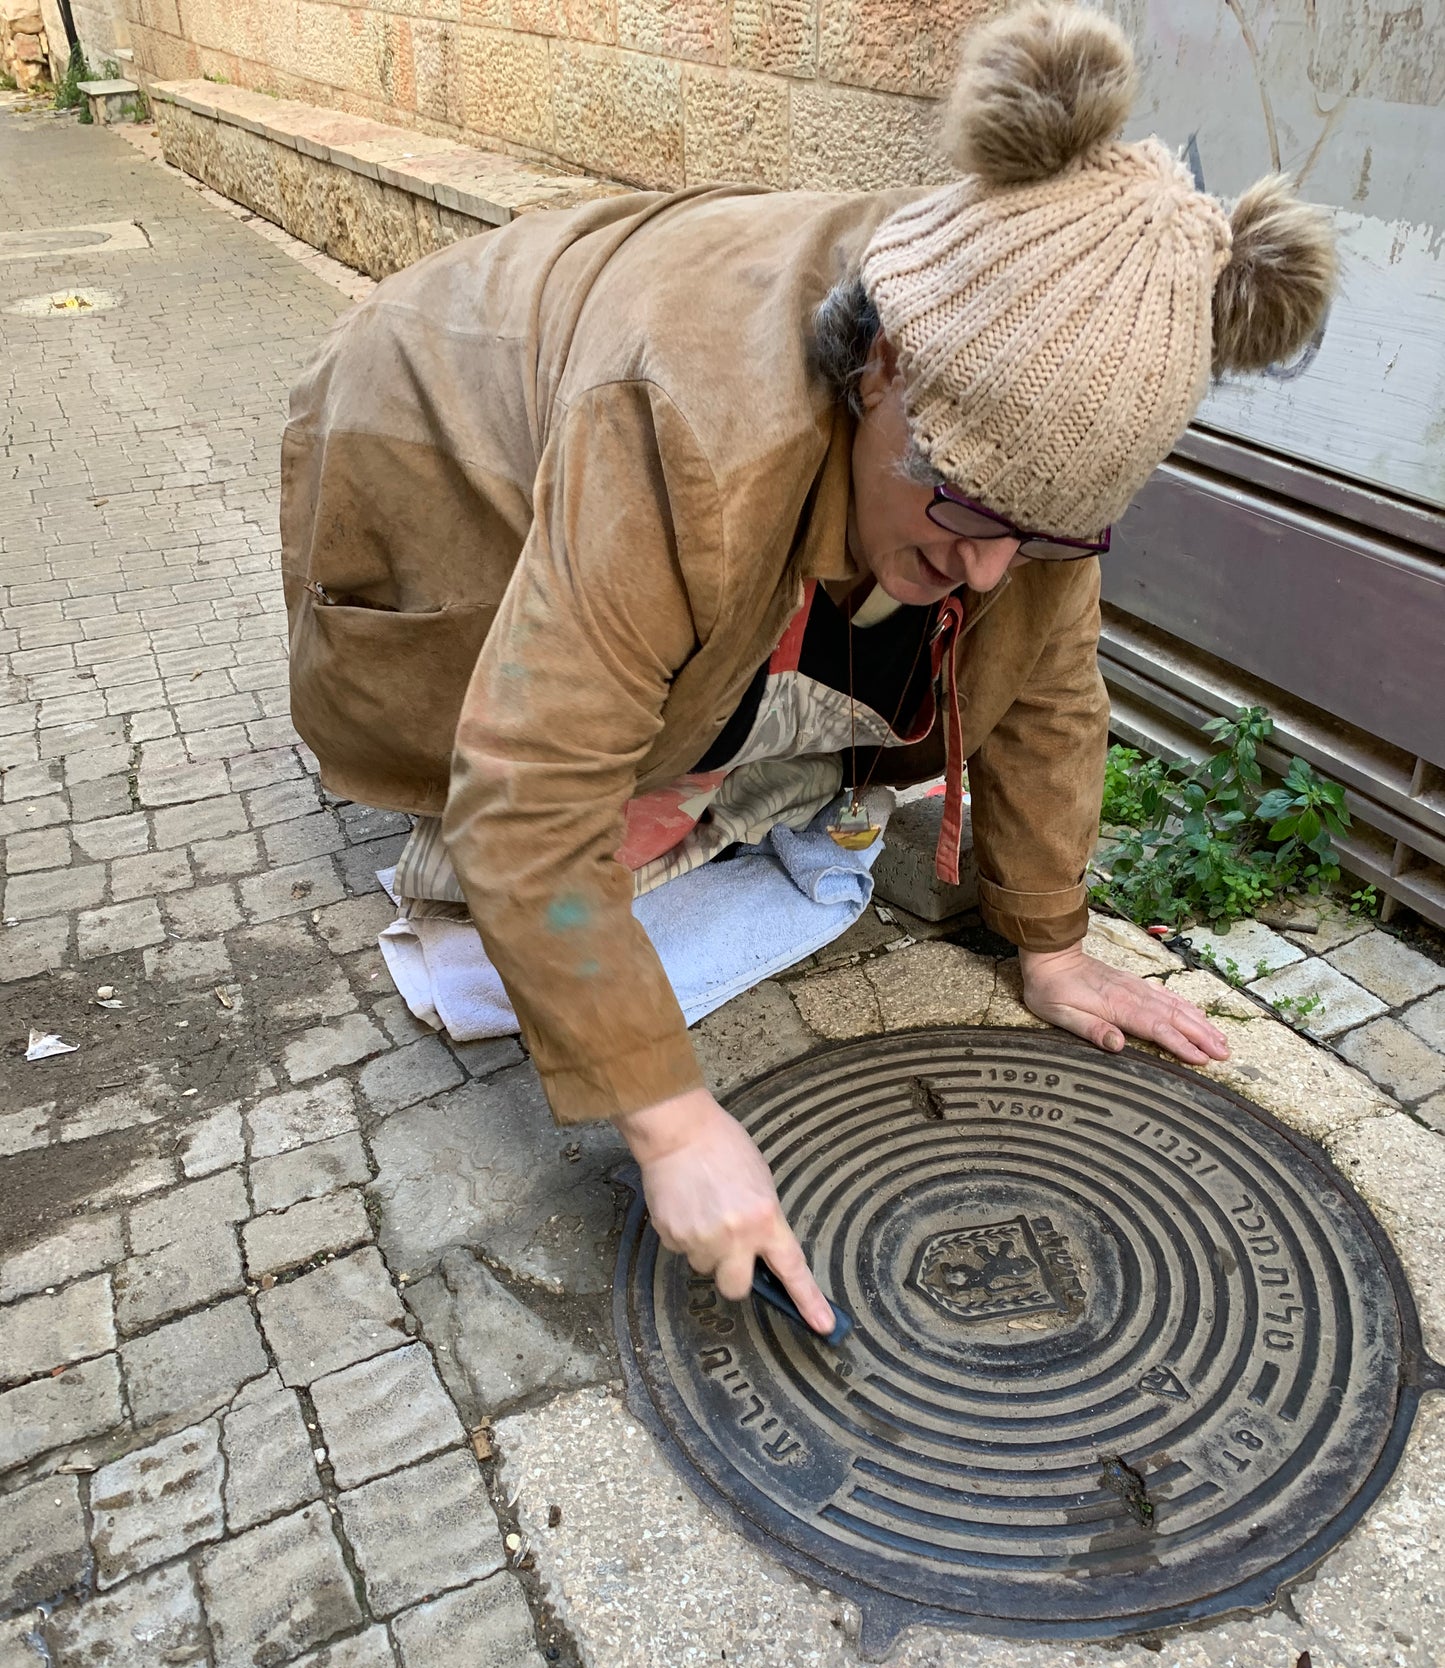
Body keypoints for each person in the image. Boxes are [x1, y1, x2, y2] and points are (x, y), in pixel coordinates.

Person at [281, 4, 1334, 1336]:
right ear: (881, 369)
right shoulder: (687, 426)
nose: (994, 572)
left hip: (690, 422)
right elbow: (531, 782)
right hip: (429, 418)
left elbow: (1047, 688)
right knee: (542, 787)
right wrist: (668, 1118)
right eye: (963, 510)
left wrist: (1051, 940)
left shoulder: (1016, 376)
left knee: (861, 638)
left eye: (1046, 536)